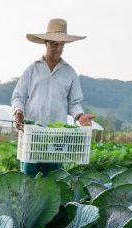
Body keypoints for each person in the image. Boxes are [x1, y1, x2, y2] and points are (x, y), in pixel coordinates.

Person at [12, 18, 95, 176]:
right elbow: (18, 97)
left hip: (56, 136)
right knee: (29, 178)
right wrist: (18, 112)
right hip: (33, 135)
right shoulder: (32, 69)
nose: (57, 48)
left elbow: (74, 103)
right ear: (45, 43)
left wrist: (81, 116)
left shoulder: (69, 72)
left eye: (60, 44)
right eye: (53, 43)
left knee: (54, 179)